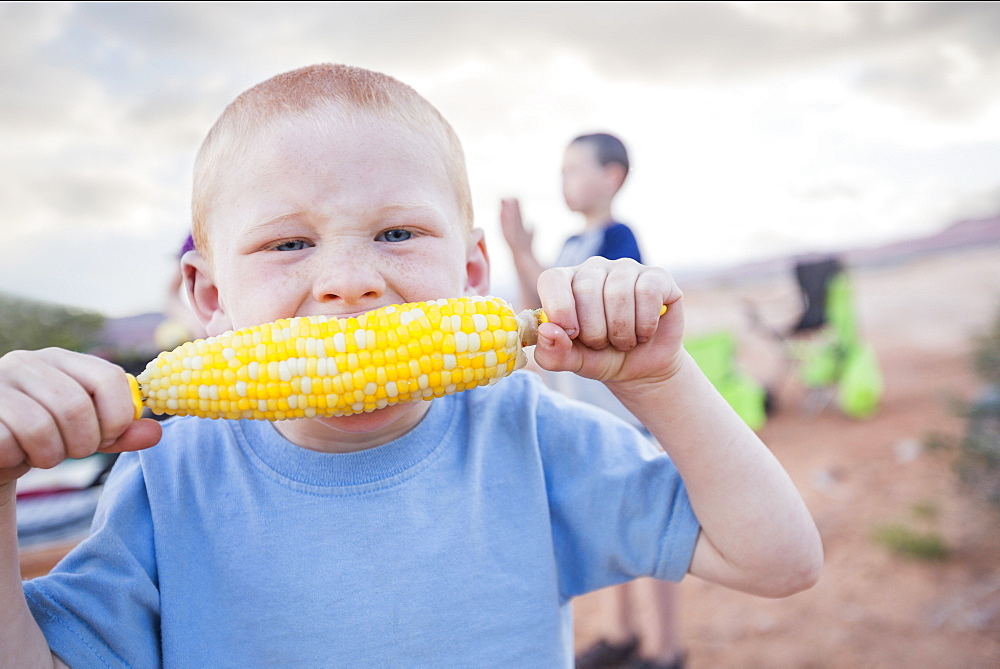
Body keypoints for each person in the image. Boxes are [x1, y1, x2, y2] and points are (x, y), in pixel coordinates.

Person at [0, 64, 822, 667]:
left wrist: (662, 382)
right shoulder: (165, 478)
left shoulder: (528, 436)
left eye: (398, 233)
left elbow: (778, 558)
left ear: (471, 275)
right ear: (209, 298)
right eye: (289, 243)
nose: (350, 279)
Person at [501, 134, 682, 668]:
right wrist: (524, 253)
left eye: (577, 169)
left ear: (612, 178)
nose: (566, 181)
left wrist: (518, 249)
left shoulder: (617, 237)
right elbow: (537, 307)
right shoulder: (566, 245)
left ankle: (667, 649)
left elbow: (581, 310)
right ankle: (622, 632)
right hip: (585, 409)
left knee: (650, 522)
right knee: (605, 518)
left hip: (624, 413)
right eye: (562, 171)